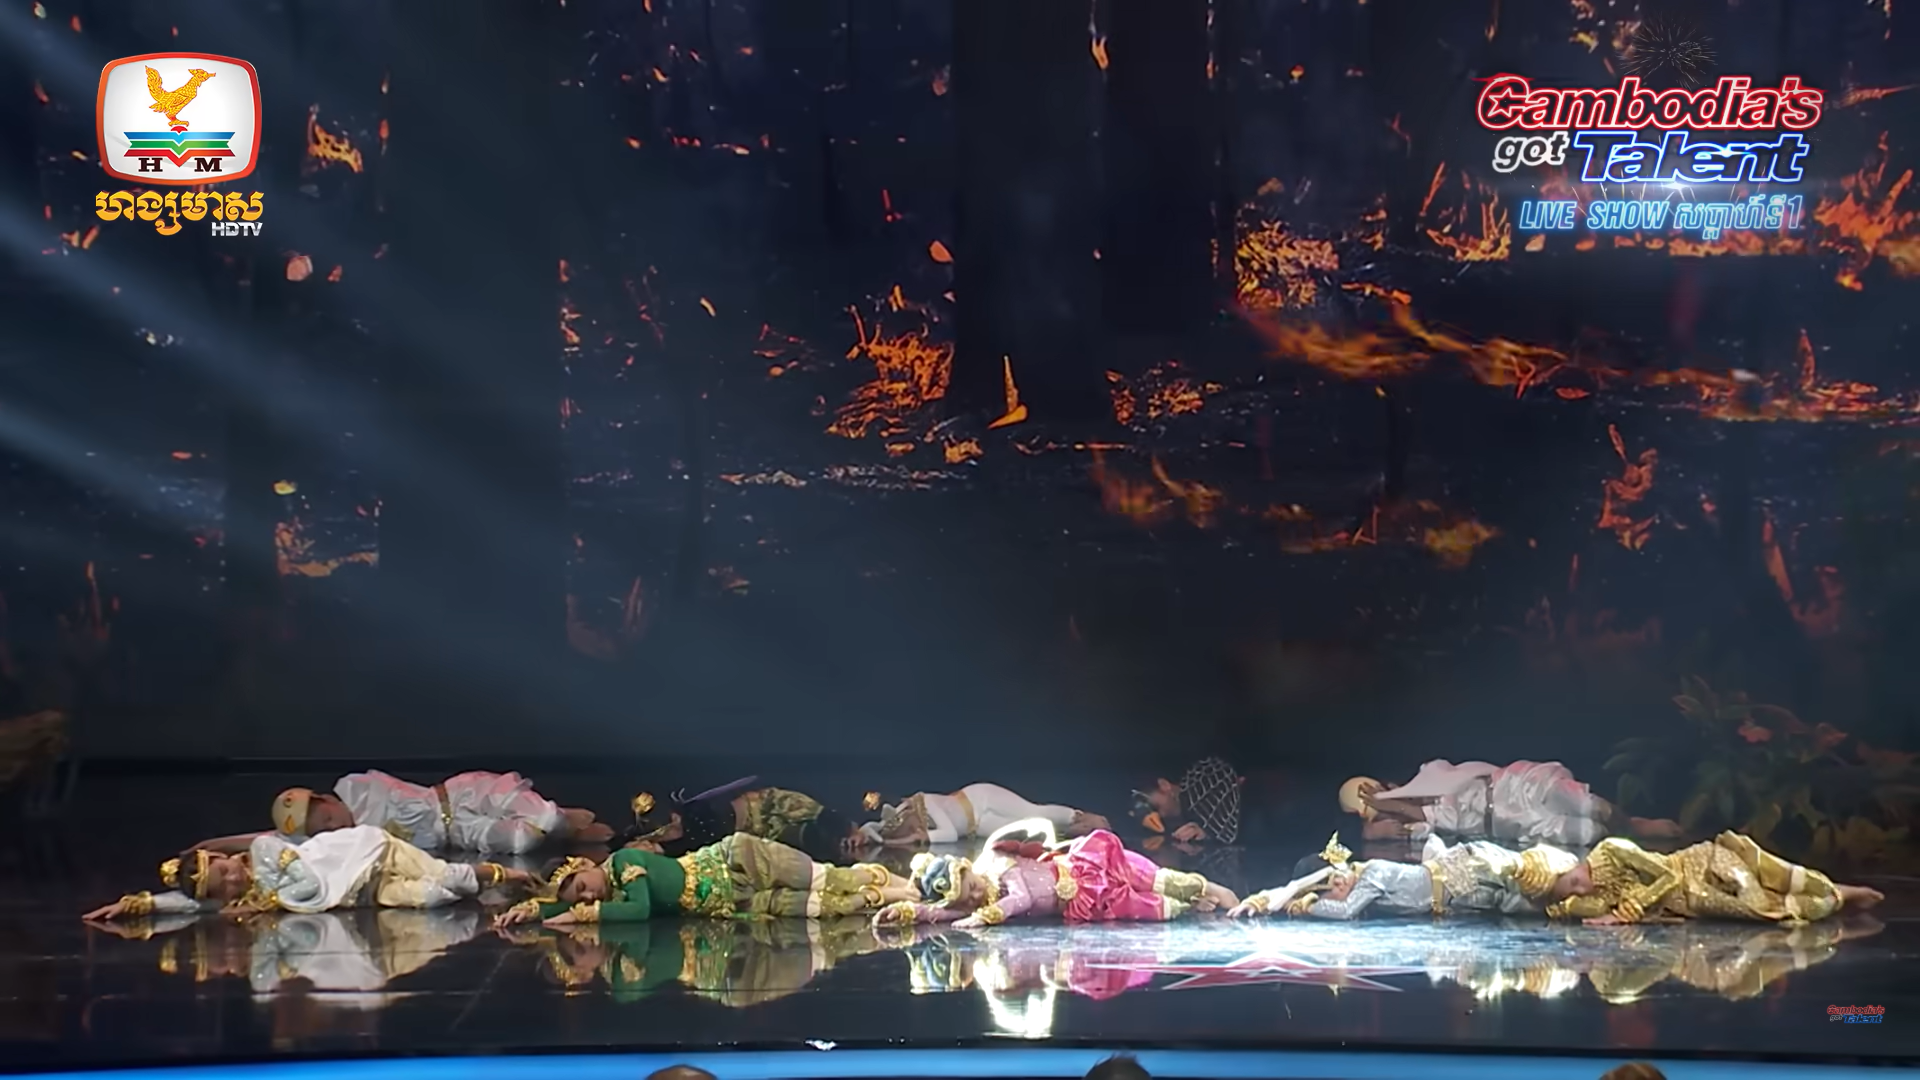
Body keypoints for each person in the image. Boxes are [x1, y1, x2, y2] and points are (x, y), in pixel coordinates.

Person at [83, 826, 533, 921]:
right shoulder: (245, 896)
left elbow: (308, 885)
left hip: (370, 851)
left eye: (226, 874)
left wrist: (266, 901)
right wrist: (138, 905)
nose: (234, 884)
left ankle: (509, 876)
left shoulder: (263, 852)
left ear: (224, 860)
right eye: (224, 891)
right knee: (431, 898)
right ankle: (485, 890)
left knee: (446, 875)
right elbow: (190, 906)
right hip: (362, 891)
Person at [493, 830, 919, 927]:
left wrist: (580, 915)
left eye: (584, 886)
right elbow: (566, 902)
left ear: (587, 865)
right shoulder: (610, 892)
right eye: (582, 898)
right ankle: (890, 898)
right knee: (818, 909)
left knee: (824, 880)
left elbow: (640, 910)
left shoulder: (623, 863)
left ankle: (906, 883)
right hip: (733, 902)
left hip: (739, 861)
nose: (589, 896)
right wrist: (533, 910)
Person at [873, 818, 1237, 929]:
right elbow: (947, 914)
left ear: (968, 869)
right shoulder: (975, 902)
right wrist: (908, 912)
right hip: (1086, 902)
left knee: (1152, 878)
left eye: (970, 887)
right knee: (1154, 909)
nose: (975, 896)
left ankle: (1213, 889)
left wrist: (987, 916)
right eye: (968, 899)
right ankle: (1194, 904)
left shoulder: (996, 864)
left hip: (1087, 867)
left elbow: (1023, 898)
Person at [1540, 831, 1884, 924]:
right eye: (1571, 892)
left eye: (1573, 881)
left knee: (1764, 894)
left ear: (1570, 863)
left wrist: (1629, 909)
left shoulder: (1610, 850)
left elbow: (1666, 877)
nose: (1581, 889)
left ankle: (1843, 891)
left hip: (1698, 866)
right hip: (1692, 901)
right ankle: (1839, 897)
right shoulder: (1592, 897)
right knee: (1767, 911)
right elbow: (1571, 911)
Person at [1228, 831, 1572, 920]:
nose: (1340, 885)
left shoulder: (1372, 873)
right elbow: (1293, 887)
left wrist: (1306, 906)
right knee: (1541, 907)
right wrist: (1257, 901)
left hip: (1467, 874)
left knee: (1542, 886)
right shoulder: (1360, 878)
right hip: (1461, 894)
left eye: (1337, 878)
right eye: (1331, 887)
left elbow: (1345, 911)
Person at [1339, 760, 1680, 847]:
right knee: (1589, 833)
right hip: (1512, 823)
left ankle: (1635, 824)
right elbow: (1407, 825)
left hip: (1517, 788)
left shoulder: (1430, 772)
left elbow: (1421, 791)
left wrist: (1393, 799)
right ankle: (1627, 839)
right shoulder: (1422, 822)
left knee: (1594, 808)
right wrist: (1372, 828)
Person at [622, 783, 858, 864]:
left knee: (815, 816)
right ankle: (839, 840)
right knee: (806, 840)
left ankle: (851, 831)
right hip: (759, 838)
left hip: (763, 808)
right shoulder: (665, 845)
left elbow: (702, 838)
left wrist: (849, 829)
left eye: (672, 825)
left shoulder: (694, 815)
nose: (673, 829)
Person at [857, 783, 1110, 847]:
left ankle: (1080, 816)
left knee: (1031, 811)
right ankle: (1074, 831)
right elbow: (877, 831)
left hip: (980, 800)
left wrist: (920, 838)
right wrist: (864, 834)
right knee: (1028, 826)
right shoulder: (909, 820)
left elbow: (950, 834)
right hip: (976, 826)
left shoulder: (925, 802)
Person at [1132, 756, 1245, 843]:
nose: (1160, 815)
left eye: (1156, 807)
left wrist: (1206, 834)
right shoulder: (1162, 826)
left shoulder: (1208, 795)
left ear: (1164, 785)